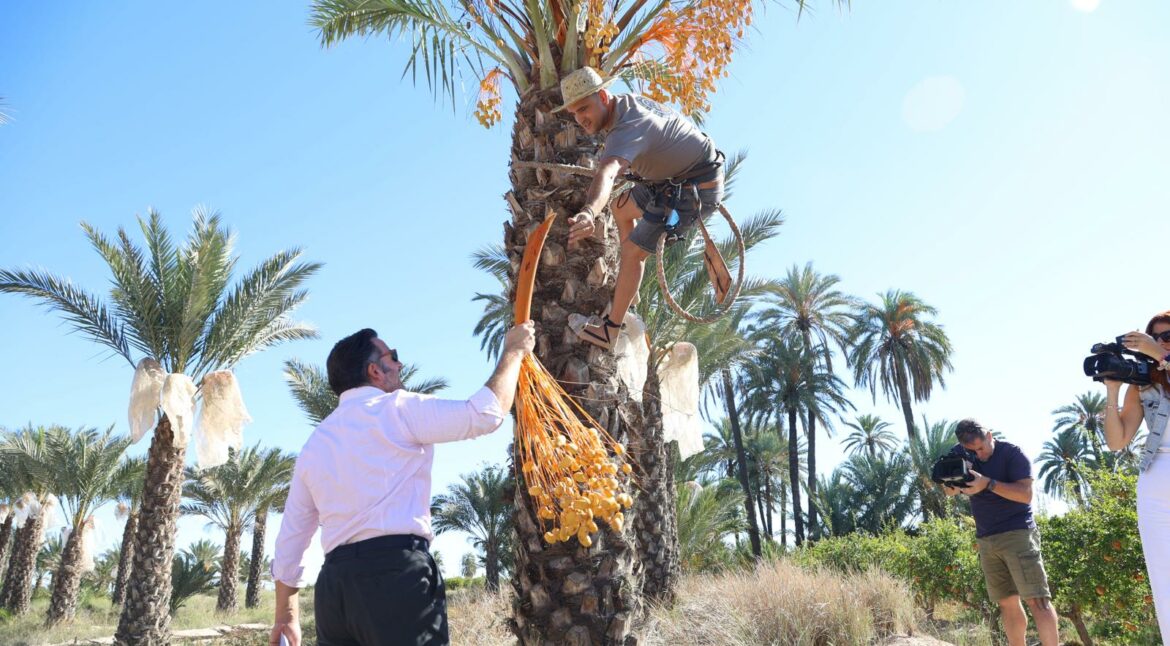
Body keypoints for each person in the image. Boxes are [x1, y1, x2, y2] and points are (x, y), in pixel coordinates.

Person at [268, 321, 536, 646]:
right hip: (396, 576)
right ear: (375, 371)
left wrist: (286, 617)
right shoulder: (398, 408)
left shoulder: (315, 443)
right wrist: (513, 351)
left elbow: (291, 538)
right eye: (392, 356)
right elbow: (484, 414)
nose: (400, 364)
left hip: (334, 589)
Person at [554, 66, 724, 350]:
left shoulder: (626, 128)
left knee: (634, 252)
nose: (581, 119)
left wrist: (588, 212)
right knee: (621, 208)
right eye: (574, 113)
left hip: (693, 188)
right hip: (669, 179)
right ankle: (629, 285)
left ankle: (609, 331)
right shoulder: (625, 104)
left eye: (585, 108)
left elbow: (607, 173)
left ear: (604, 97)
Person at [942, 419, 1060, 646]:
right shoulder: (960, 454)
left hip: (1018, 534)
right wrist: (951, 485)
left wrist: (987, 483)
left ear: (990, 435)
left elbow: (1026, 494)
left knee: (1038, 600)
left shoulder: (1012, 454)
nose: (979, 454)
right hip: (986, 539)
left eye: (981, 447)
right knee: (1006, 603)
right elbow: (948, 492)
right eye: (972, 450)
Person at [1102, 310, 1170, 643]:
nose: (1159, 343)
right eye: (1154, 338)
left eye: (1168, 337)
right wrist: (1112, 391)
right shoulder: (1143, 382)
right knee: (1165, 579)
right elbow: (1117, 442)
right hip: (1155, 481)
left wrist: (1161, 355)